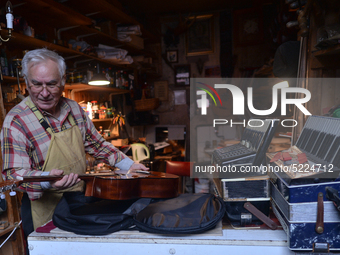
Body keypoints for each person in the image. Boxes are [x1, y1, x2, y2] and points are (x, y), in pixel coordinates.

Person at [0, 48, 148, 242]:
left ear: (62, 81)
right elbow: (13, 174)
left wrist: (130, 166)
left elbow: (98, 145)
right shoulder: (16, 121)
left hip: (78, 202)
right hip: (44, 210)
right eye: (36, 84)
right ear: (27, 83)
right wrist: (47, 179)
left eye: (52, 84)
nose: (44, 93)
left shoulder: (73, 109)